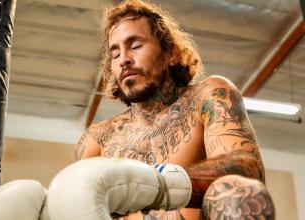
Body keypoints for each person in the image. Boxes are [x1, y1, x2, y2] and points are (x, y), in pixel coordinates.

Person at [73, 0, 275, 219]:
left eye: (135, 46)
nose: (124, 60)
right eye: (115, 54)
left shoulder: (207, 96)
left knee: (241, 194)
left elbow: (246, 167)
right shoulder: (99, 138)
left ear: (171, 54)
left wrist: (156, 187)